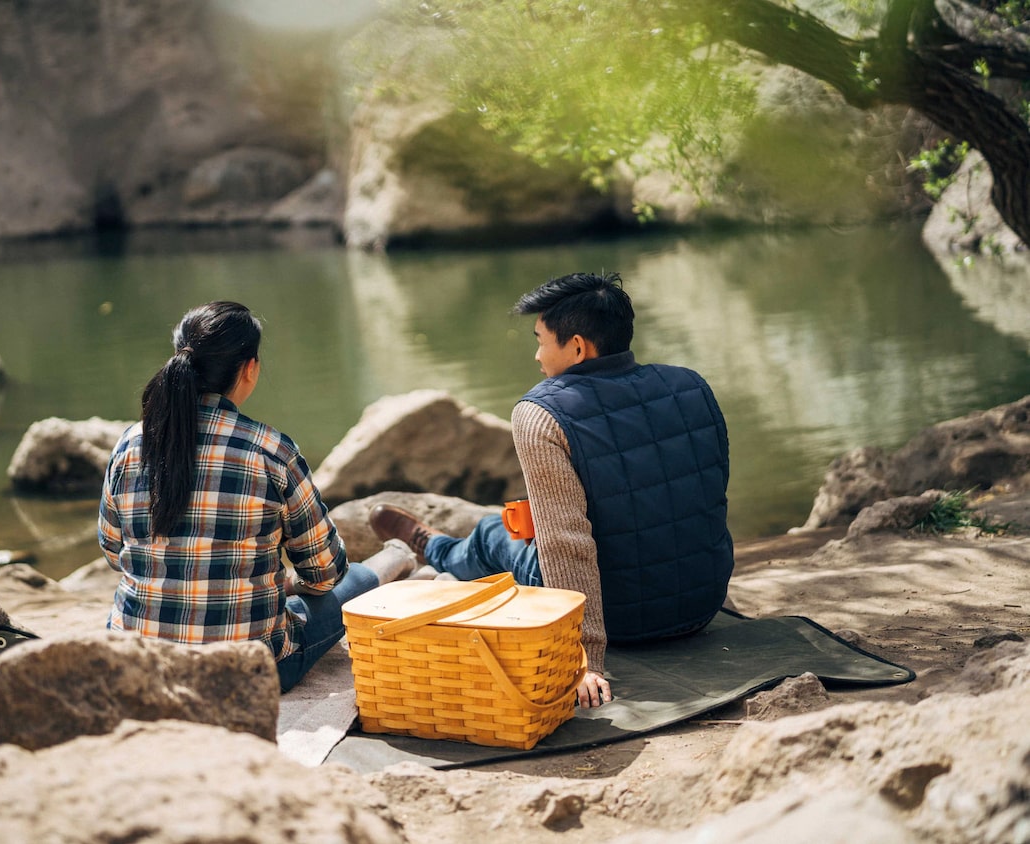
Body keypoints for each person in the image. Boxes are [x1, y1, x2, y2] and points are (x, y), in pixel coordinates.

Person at [369, 272, 734, 709]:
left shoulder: (541, 413)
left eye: (541, 340)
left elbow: (567, 543)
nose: (537, 355)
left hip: (625, 621)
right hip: (702, 603)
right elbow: (708, 492)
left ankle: (437, 549)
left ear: (577, 346)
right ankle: (442, 549)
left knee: (492, 534)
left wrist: (585, 659)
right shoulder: (691, 385)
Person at [99, 301, 414, 693]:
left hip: (137, 665)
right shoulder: (270, 450)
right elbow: (326, 574)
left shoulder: (130, 444)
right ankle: (401, 555)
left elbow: (115, 552)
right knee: (352, 586)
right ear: (249, 368)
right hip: (245, 674)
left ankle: (400, 556)